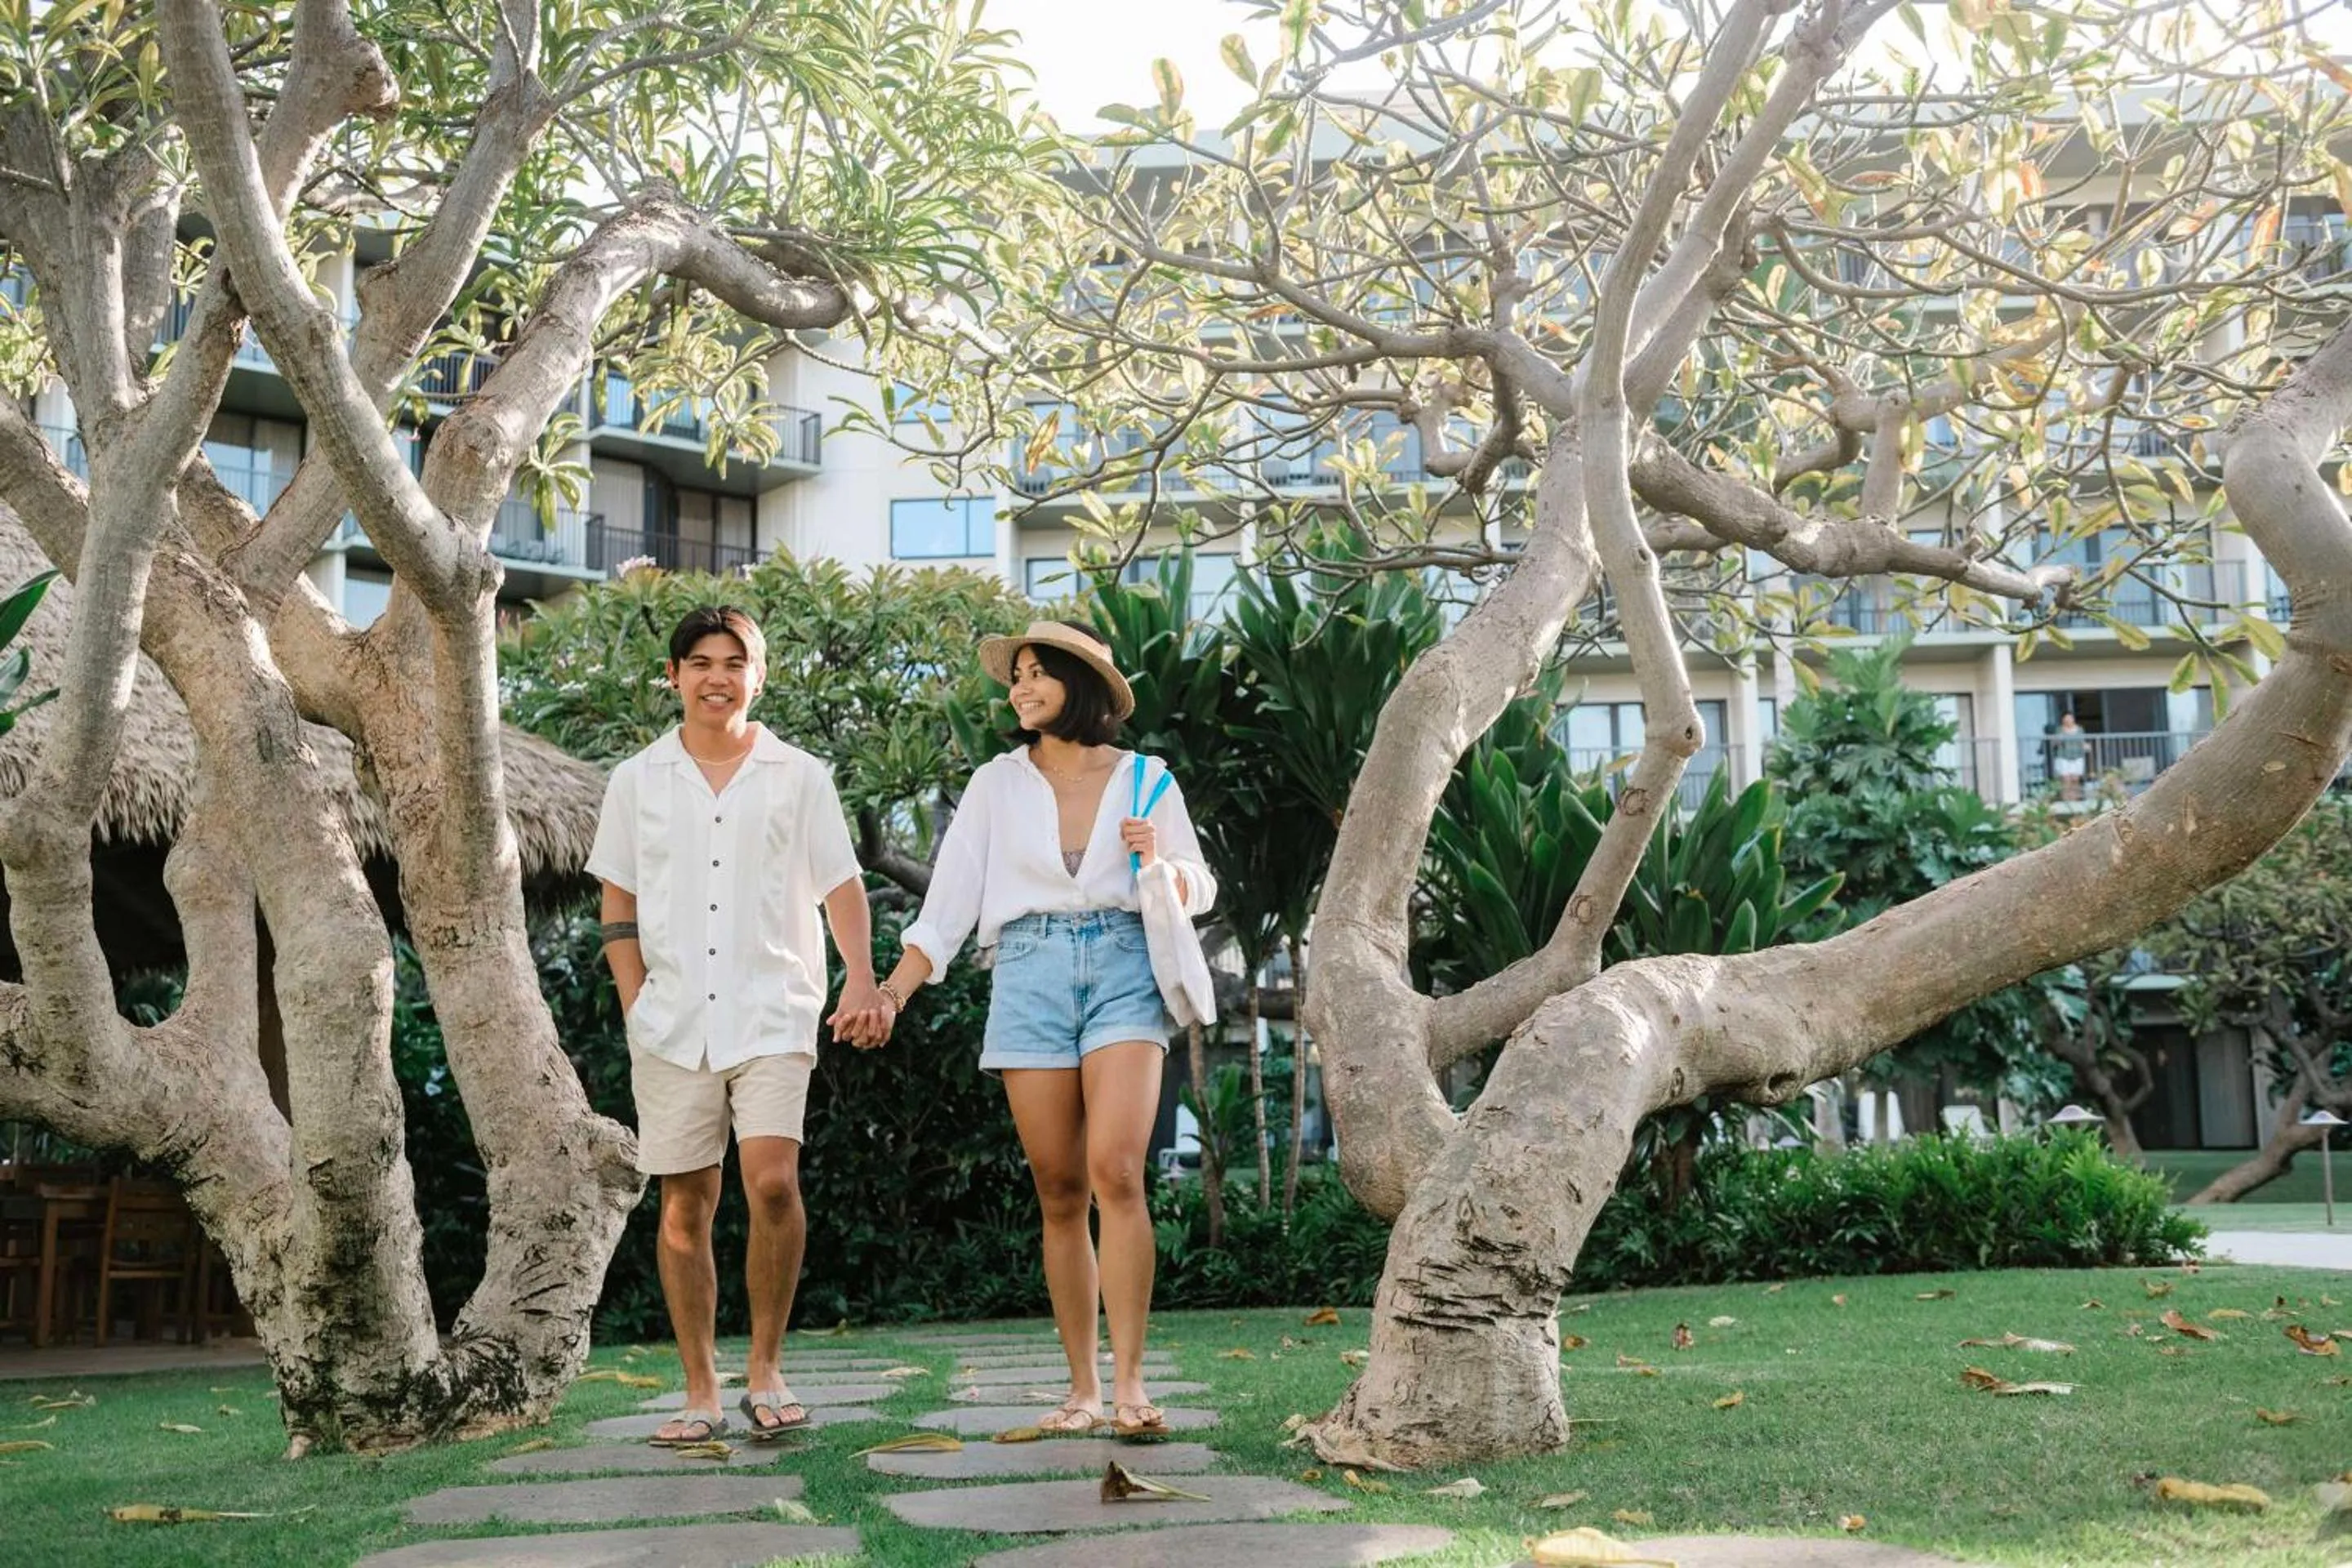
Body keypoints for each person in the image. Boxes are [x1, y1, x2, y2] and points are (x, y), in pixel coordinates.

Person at [872, 620, 1215, 1438]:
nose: (1020, 689)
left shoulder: (1146, 780)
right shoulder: (996, 784)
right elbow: (948, 903)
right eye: (1016, 676)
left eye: (1037, 674)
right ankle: (1082, 1390)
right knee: (1060, 1189)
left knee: (1119, 1172)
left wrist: (1161, 868)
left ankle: (1131, 1386)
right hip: (1027, 972)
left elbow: (1200, 883)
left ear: (1080, 683)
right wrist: (891, 993)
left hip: (1126, 963)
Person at [588, 605, 892, 1446]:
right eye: (700, 662)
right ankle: (699, 1390)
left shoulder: (801, 776)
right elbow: (618, 899)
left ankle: (765, 1367)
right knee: (685, 1205)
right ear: (676, 677)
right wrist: (634, 997)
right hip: (671, 1020)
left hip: (772, 1008)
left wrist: (862, 978)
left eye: (734, 662)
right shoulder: (636, 780)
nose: (716, 676)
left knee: (771, 1183)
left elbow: (842, 887)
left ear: (757, 677)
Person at [2050, 710, 2089, 800]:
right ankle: (2067, 800)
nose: (2068, 721)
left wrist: (2086, 747)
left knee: (2075, 779)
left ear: (2073, 719)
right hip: (2063, 757)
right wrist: (2057, 741)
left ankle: (2075, 799)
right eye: (2066, 719)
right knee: (2066, 780)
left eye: (2070, 718)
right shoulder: (2059, 730)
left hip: (2077, 756)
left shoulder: (2079, 729)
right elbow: (2054, 743)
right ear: (2063, 720)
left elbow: (2082, 741)